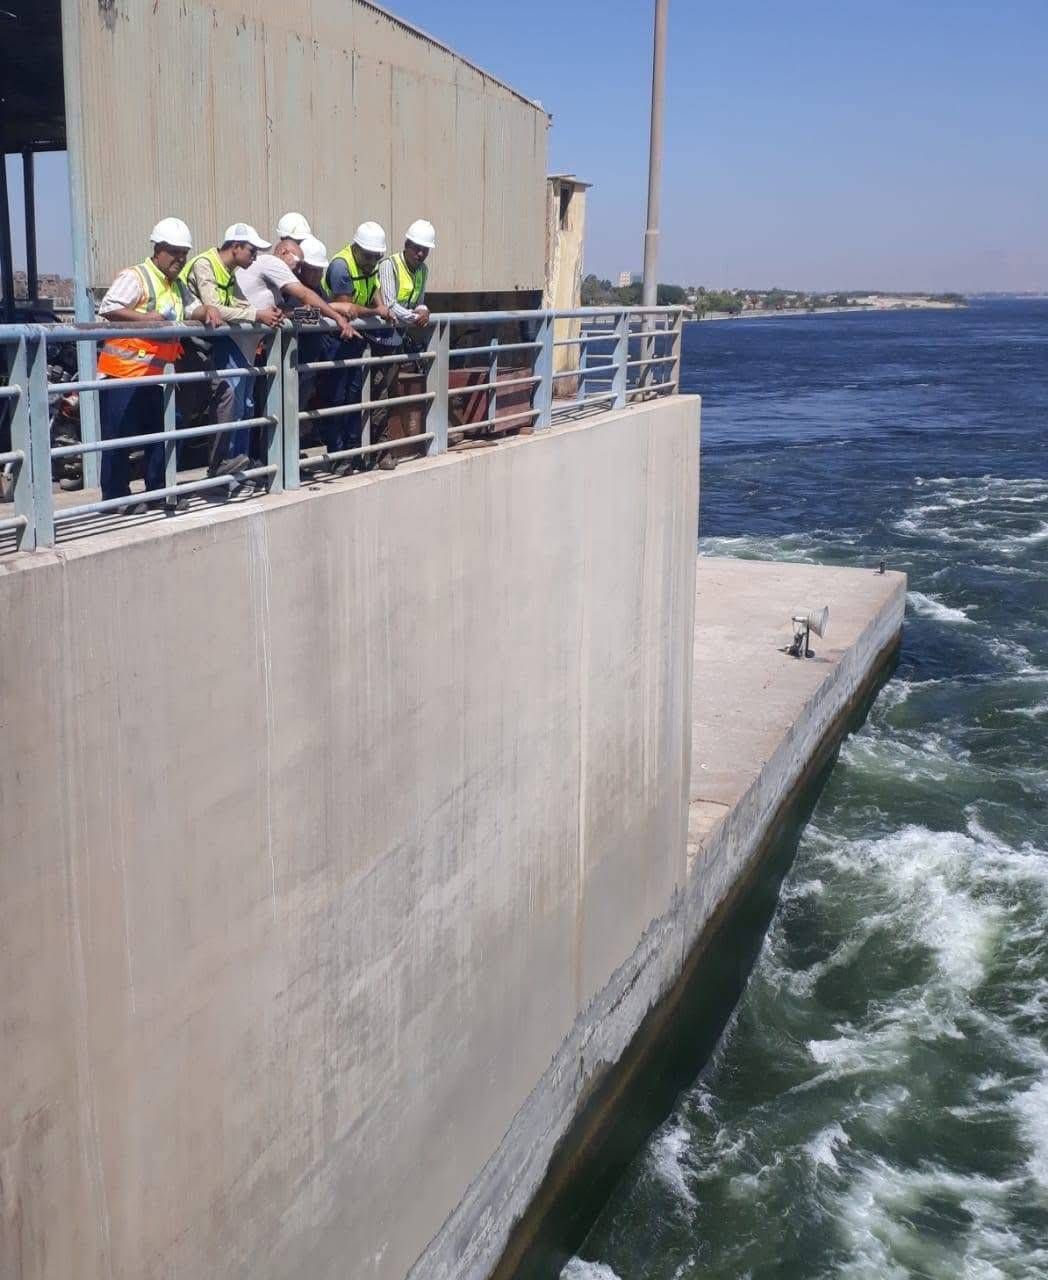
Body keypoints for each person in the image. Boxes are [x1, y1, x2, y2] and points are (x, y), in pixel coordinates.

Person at [96, 217, 221, 510]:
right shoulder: (136, 277)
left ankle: (158, 491)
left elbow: (192, 308)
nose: (180, 259)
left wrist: (208, 310)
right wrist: (145, 319)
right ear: (158, 250)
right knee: (119, 436)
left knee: (165, 430)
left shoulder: (176, 285)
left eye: (184, 253)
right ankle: (115, 497)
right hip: (122, 374)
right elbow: (109, 307)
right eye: (174, 252)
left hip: (154, 375)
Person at [181, 223, 283, 476]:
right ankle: (220, 467)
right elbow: (214, 307)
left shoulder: (228, 270)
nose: (254, 257)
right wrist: (257, 314)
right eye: (252, 251)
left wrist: (262, 313)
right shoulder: (205, 264)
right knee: (189, 412)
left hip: (206, 346)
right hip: (189, 348)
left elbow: (237, 302)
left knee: (238, 403)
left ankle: (232, 465)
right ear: (235, 247)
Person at [316, 221, 391, 472]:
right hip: (335, 339)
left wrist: (380, 307)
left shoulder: (370, 264)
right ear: (356, 248)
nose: (372, 261)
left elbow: (374, 290)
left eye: (376, 256)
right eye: (368, 256)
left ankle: (353, 452)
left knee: (354, 397)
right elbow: (347, 308)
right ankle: (338, 456)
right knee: (337, 398)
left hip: (355, 339)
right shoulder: (341, 266)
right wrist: (376, 312)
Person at [371, 219, 435, 468]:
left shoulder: (422, 270)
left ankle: (381, 449)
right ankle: (378, 453)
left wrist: (424, 309)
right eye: (417, 248)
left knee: (390, 394)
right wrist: (415, 317)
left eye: (425, 250)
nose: (421, 254)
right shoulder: (390, 265)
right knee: (379, 394)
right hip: (378, 339)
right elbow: (390, 305)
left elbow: (419, 301)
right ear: (406, 244)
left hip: (397, 339)